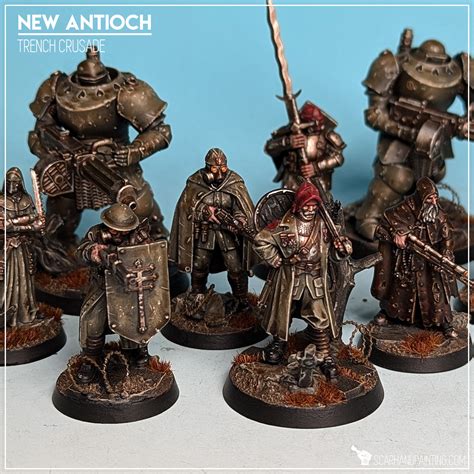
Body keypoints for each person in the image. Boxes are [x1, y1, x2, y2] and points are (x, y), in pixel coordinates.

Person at [28, 47, 171, 244]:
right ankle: (61, 252)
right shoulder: (56, 87)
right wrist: (52, 154)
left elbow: (161, 131)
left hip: (116, 164)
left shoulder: (126, 91)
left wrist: (134, 151)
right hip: (70, 166)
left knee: (140, 208)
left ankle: (155, 245)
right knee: (59, 224)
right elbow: (40, 132)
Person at [355, 29, 472, 241]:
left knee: (434, 173)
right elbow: (375, 115)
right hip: (398, 140)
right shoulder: (392, 65)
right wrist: (410, 132)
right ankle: (369, 218)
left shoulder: (460, 68)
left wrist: (462, 126)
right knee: (397, 178)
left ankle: (417, 213)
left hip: (434, 138)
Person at [254, 181, 352, 377]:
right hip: (290, 278)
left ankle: (324, 354)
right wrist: (275, 258)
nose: (310, 210)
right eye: (306, 206)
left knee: (318, 315)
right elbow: (260, 240)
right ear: (298, 205)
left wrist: (343, 248)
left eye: (314, 206)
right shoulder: (283, 224)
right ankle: (278, 345)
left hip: (315, 279)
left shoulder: (325, 225)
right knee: (284, 312)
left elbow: (337, 251)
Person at [76, 203, 156, 383]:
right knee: (92, 321)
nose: (117, 234)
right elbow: (80, 252)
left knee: (134, 320)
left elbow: (151, 256)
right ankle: (91, 360)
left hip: (129, 288)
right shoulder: (96, 233)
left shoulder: (138, 236)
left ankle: (137, 354)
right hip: (102, 285)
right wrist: (92, 252)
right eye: (114, 230)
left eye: (122, 231)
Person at [371, 177, 458, 337]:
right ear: (420, 198)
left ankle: (443, 322)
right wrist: (396, 233)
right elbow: (380, 229)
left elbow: (448, 238)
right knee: (400, 291)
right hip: (405, 260)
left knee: (435, 294)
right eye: (429, 199)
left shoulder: (439, 215)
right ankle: (390, 313)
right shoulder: (402, 210)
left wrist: (445, 255)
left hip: (430, 262)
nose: (433, 202)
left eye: (435, 198)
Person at [169, 148, 255, 310]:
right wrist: (203, 211)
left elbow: (241, 207)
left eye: (223, 168)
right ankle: (197, 295)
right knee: (199, 265)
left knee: (236, 268)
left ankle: (241, 299)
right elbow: (186, 208)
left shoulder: (234, 182)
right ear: (207, 167)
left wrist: (240, 219)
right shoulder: (195, 182)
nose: (220, 173)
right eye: (215, 169)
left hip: (227, 235)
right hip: (205, 234)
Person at [264, 101, 345, 192]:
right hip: (292, 180)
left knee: (319, 199)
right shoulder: (290, 132)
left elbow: (338, 158)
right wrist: (287, 142)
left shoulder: (327, 135)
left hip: (318, 180)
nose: (317, 125)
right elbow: (269, 147)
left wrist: (316, 167)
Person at [0, 168, 45, 327]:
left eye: (16, 182)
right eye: (9, 182)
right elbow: (4, 226)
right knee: (7, 281)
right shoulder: (1, 201)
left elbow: (35, 219)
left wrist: (36, 225)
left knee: (25, 282)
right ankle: (6, 313)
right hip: (7, 249)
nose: (12, 186)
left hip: (24, 248)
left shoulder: (27, 199)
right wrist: (29, 224)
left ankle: (26, 314)